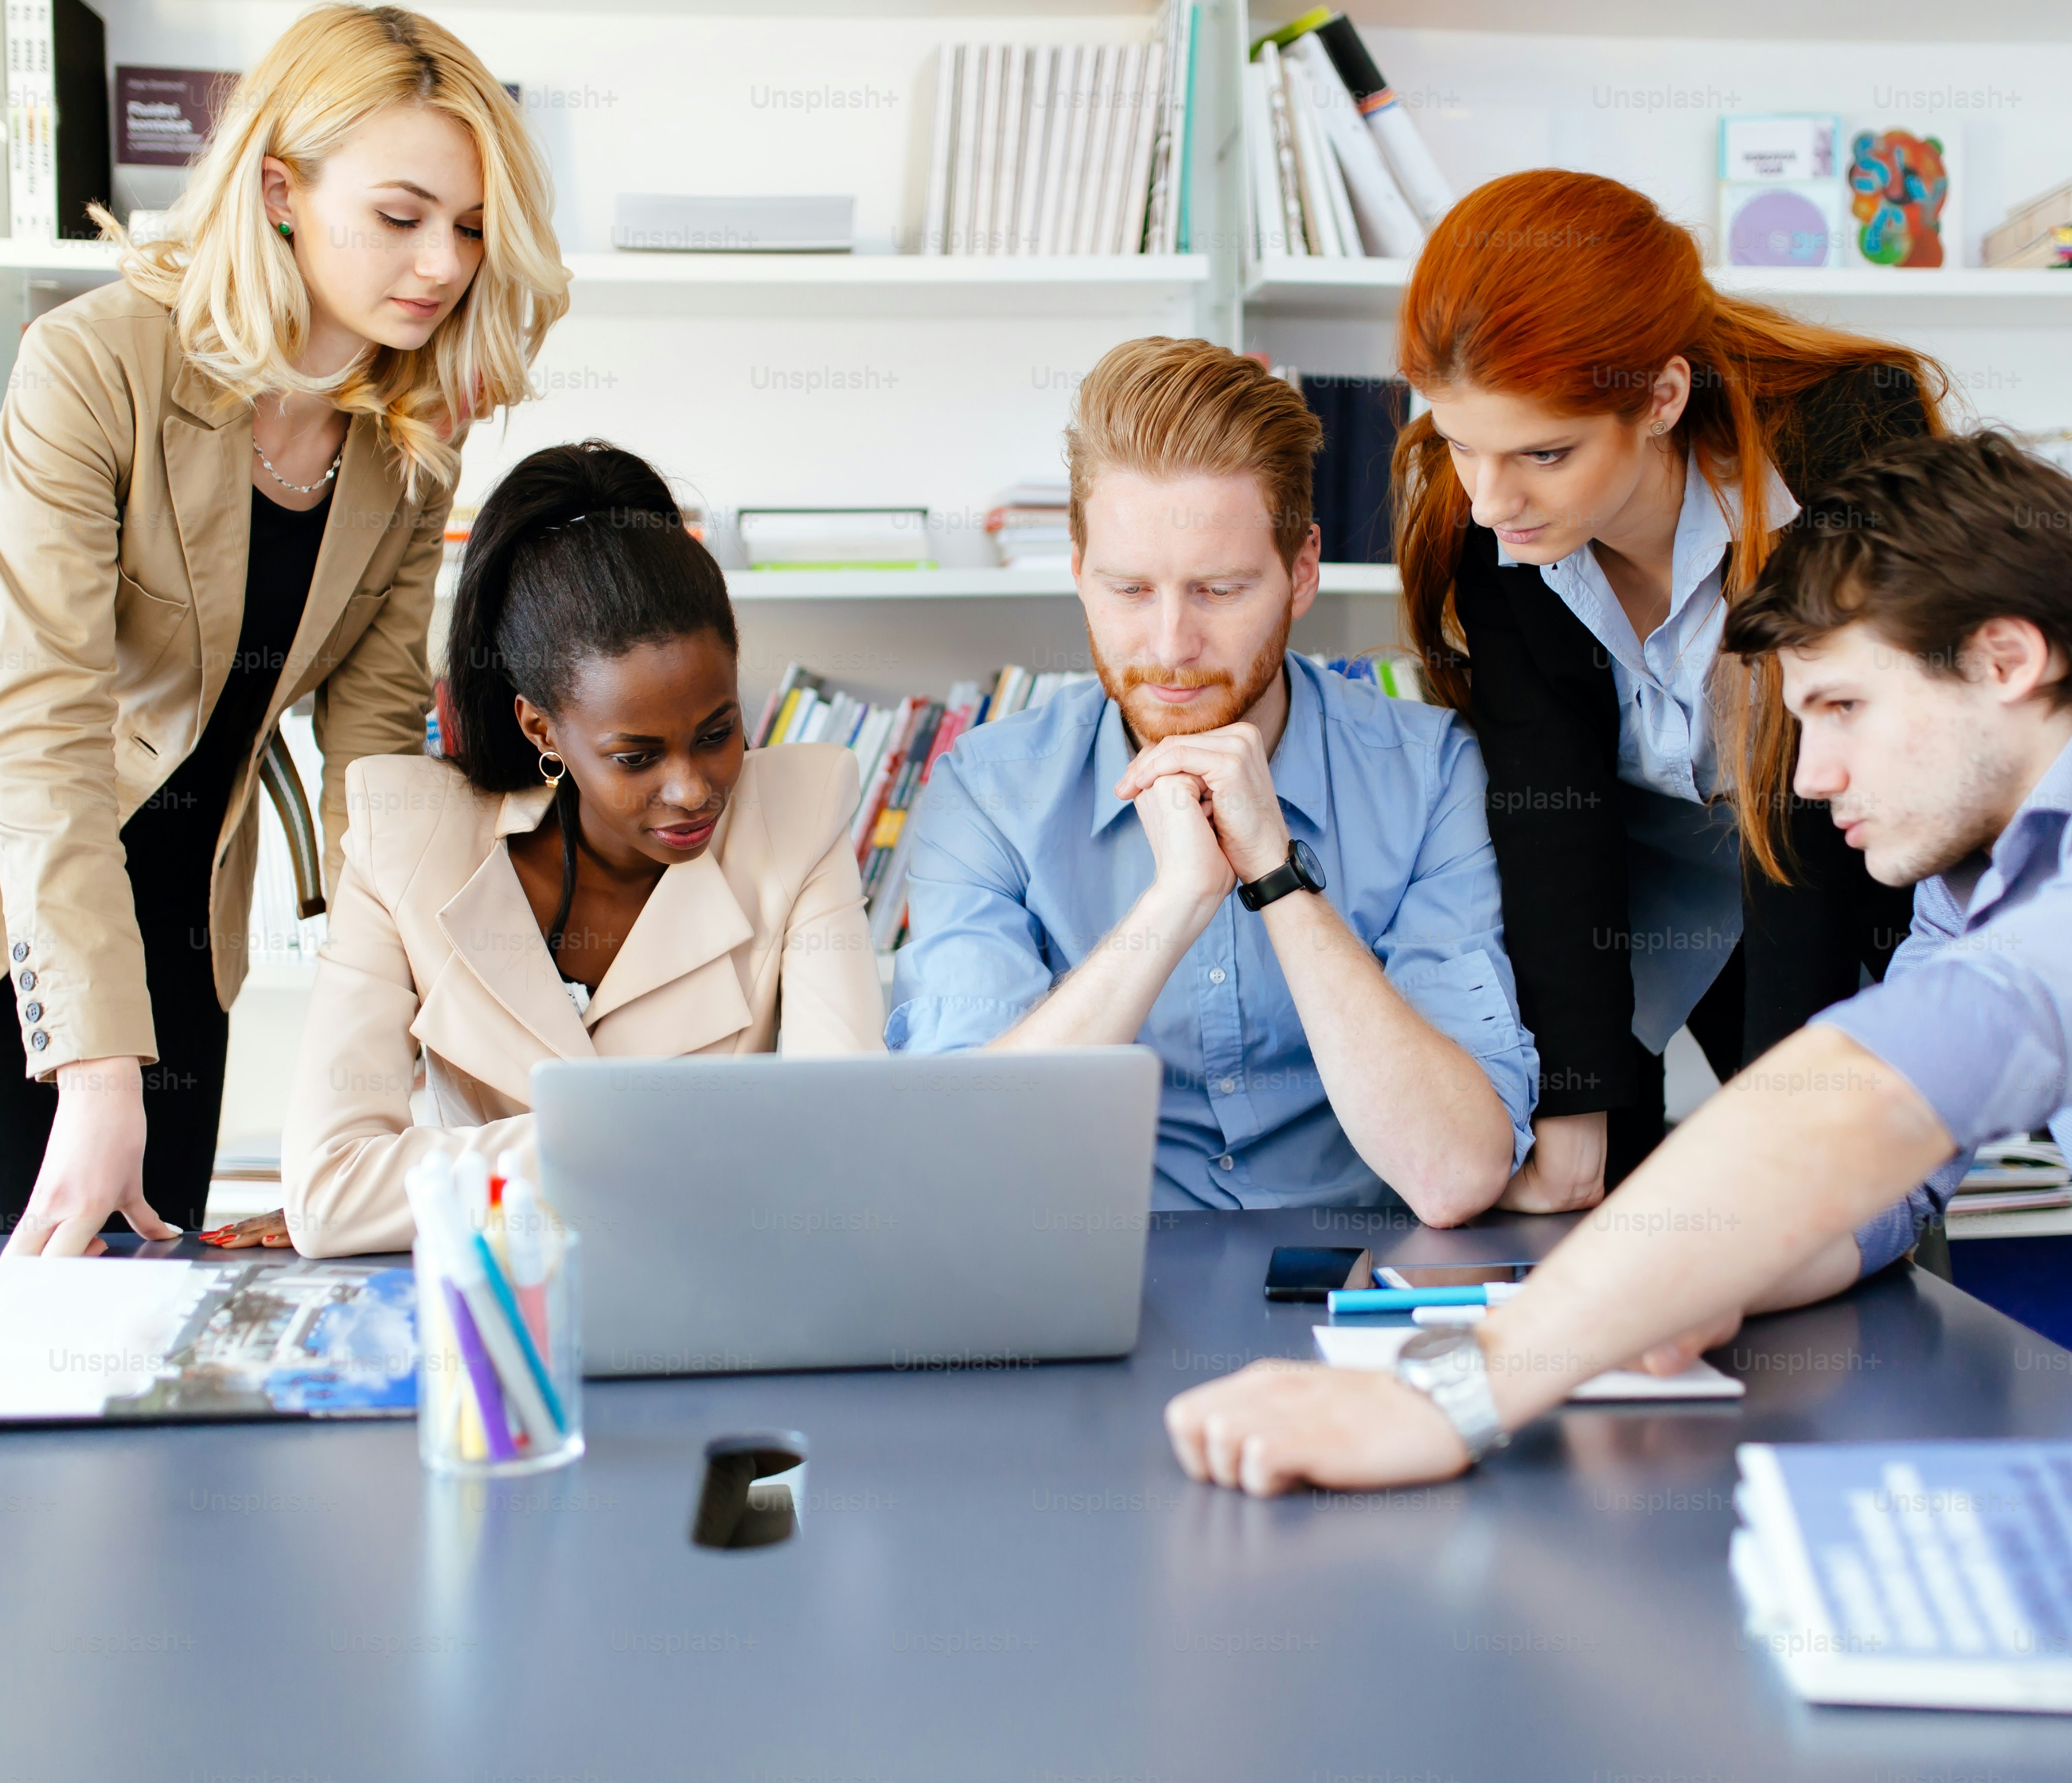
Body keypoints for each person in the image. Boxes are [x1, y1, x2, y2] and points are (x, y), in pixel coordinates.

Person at [1163, 432, 2072, 1589]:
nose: (1809, 780)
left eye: (1845, 708)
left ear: (2005, 660)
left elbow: (1883, 1091)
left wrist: (1459, 1392)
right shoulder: (1984, 880)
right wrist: (1698, 1271)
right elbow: (1884, 1186)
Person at [0, 4, 567, 1256]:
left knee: (152, 1308)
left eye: (472, 228)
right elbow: (39, 732)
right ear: (279, 189)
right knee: (27, 1304)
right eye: (402, 216)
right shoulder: (93, 366)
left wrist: (416, 1025)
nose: (443, 265)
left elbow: (370, 743)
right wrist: (96, 1077)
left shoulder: (417, 432)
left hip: (176, 907)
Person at [888, 337, 1536, 1226]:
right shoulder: (988, 792)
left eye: (1220, 591)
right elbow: (956, 1165)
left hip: (1360, 1286)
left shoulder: (1427, 776)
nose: (1168, 648)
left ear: (1301, 571)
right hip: (1098, 1271)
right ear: (1077, 570)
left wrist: (1276, 877)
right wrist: (1179, 900)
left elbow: (1456, 1173)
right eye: (1126, 589)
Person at [1397, 170, 1948, 1211]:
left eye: (1544, 453)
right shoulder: (1489, 523)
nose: (1490, 499)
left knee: (1833, 1201)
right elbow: (1551, 818)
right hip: (1636, 876)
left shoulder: (1846, 454)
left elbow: (1819, 813)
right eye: (1459, 444)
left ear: (1661, 397)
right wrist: (1573, 1119)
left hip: (1832, 850)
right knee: (1596, 1189)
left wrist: (1788, 1139)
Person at [230, 441, 885, 1257]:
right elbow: (329, 1197)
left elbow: (848, 1146)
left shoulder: (799, 812)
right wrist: (671, 1140)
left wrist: (441, 1182)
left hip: (712, 1295)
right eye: (637, 757)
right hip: (492, 1309)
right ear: (541, 727)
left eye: (717, 734)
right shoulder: (406, 834)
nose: (693, 789)